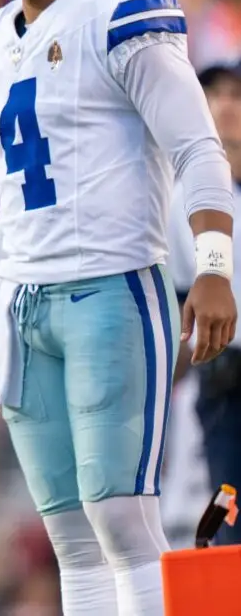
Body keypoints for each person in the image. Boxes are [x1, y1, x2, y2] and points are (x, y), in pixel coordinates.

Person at [0, 0, 237, 616]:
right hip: (23, 304)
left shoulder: (120, 6)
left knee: (121, 519)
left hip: (110, 287)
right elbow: (15, 203)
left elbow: (195, 147)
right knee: (69, 534)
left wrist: (212, 264)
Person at [168, 59, 241, 545]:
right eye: (216, 93)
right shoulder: (179, 198)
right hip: (222, 377)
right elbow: (177, 296)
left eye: (237, 94)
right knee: (227, 512)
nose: (227, 105)